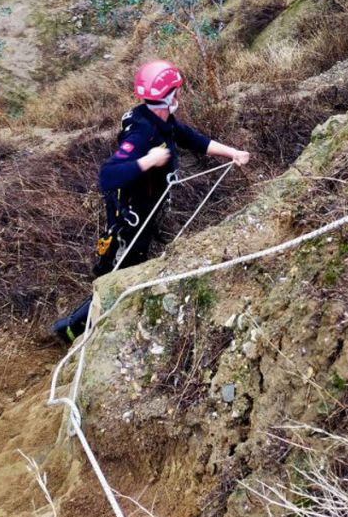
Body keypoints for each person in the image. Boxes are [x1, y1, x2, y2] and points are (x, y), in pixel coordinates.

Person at [51, 59, 250, 342]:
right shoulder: (143, 131)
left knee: (130, 266)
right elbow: (108, 175)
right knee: (122, 272)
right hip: (131, 215)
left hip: (145, 207)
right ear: (170, 95)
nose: (181, 94)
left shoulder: (160, 119)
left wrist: (233, 153)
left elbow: (193, 139)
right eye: (178, 90)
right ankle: (72, 328)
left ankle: (95, 320)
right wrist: (148, 161)